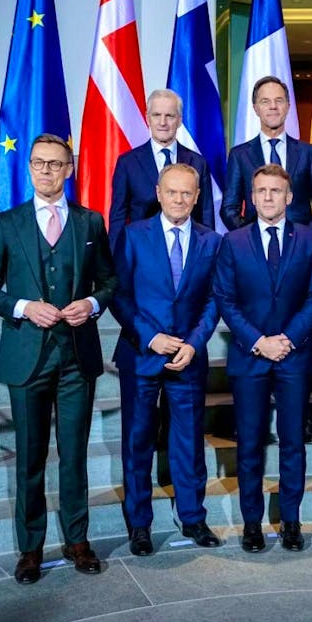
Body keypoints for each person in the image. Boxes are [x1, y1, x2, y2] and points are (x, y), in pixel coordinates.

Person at [0, 134, 117, 585]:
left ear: (69, 169)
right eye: (39, 163)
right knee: (30, 458)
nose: (47, 171)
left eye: (56, 164)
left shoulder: (91, 222)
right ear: (29, 168)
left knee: (74, 455)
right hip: (27, 359)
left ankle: (77, 541)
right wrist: (22, 307)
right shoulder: (6, 224)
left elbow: (109, 282)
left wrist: (91, 304)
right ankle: (30, 549)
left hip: (77, 358)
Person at [213, 165, 312, 553]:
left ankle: (291, 521)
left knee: (293, 442)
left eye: (275, 191)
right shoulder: (233, 241)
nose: (267, 197)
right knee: (250, 443)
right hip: (250, 357)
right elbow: (225, 299)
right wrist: (259, 341)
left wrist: (289, 339)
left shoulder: (309, 238)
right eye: (261, 190)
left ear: (289, 197)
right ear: (251, 196)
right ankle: (252, 523)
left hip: (294, 356)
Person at [111, 163, 223, 555]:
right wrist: (151, 337)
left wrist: (193, 343)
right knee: (138, 441)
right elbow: (119, 295)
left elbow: (215, 299)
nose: (178, 199)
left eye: (186, 193)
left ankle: (193, 517)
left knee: (189, 441)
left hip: (188, 357)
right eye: (171, 192)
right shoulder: (133, 235)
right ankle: (139, 524)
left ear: (197, 197)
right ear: (158, 193)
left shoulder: (212, 242)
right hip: (142, 355)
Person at [222, 76, 312, 234]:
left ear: (288, 106)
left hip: (299, 244)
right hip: (255, 245)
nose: (273, 106)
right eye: (265, 101)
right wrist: (251, 238)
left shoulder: (308, 153)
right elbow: (229, 208)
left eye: (279, 100)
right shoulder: (239, 155)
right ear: (255, 108)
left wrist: (307, 237)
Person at [109, 88, 214, 251]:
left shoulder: (198, 163)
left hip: (185, 250)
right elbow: (118, 217)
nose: (163, 122)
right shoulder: (127, 163)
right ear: (147, 119)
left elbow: (205, 216)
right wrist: (116, 257)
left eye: (169, 116)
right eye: (156, 115)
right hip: (142, 251)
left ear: (179, 120)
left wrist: (208, 253)